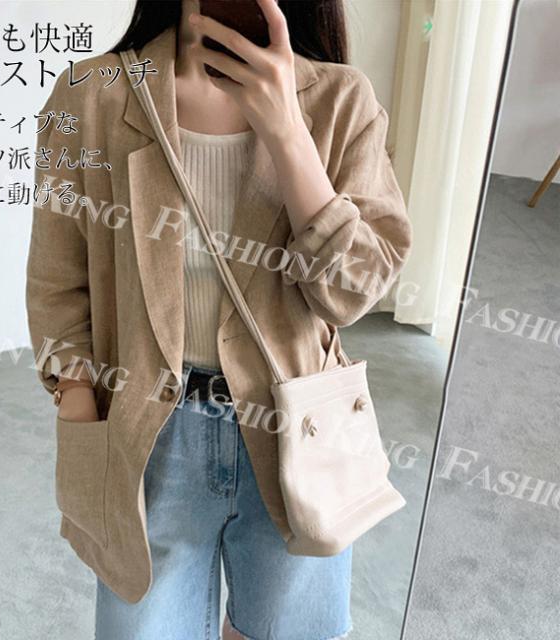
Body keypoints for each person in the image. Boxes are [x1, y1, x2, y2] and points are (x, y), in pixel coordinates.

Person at [26, 0, 413, 638]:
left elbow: (353, 291)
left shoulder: (341, 100)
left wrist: (287, 130)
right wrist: (79, 406)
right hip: (146, 436)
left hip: (296, 431)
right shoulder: (90, 96)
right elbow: (56, 280)